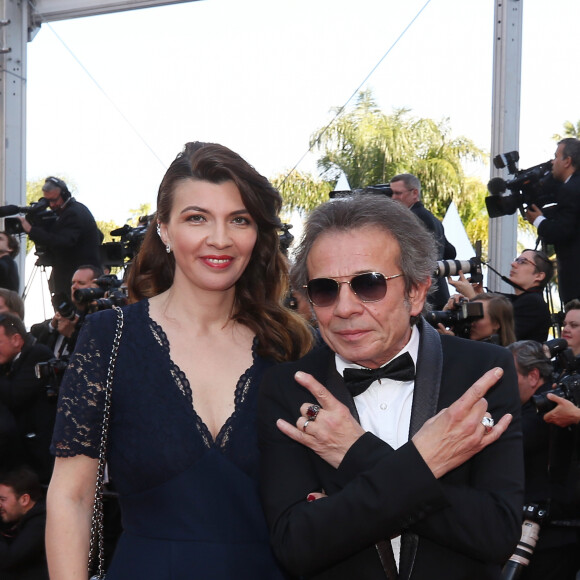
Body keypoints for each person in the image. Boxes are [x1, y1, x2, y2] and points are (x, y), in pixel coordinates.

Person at [46, 142, 314, 579]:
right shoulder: (108, 339)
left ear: (257, 234)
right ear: (165, 231)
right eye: (197, 218)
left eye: (239, 220)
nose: (220, 239)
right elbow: (71, 496)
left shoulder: (291, 347)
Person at [259, 194, 523, 579]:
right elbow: (297, 545)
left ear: (416, 291)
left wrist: (355, 455)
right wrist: (428, 463)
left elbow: (494, 534)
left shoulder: (482, 372)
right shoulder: (290, 387)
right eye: (325, 289)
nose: (345, 307)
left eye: (368, 284)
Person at [508, 341, 580, 580]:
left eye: (510, 374)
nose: (502, 385)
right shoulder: (534, 404)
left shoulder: (550, 407)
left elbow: (511, 443)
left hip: (554, 534)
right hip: (543, 529)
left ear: (533, 376)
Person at [18, 176, 102, 299]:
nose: (51, 205)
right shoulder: (72, 211)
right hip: (69, 276)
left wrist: (31, 230)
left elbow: (62, 242)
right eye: (47, 201)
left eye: (54, 200)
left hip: (76, 277)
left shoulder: (73, 213)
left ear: (65, 194)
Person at [449, 249, 553, 342]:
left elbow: (505, 337)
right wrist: (481, 297)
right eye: (516, 260)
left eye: (522, 262)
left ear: (539, 276)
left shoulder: (534, 304)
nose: (513, 264)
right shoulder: (519, 300)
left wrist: (473, 298)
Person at [525, 138, 580, 305]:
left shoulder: (570, 189)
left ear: (567, 161)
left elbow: (562, 231)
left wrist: (538, 220)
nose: (552, 162)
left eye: (556, 157)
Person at [0, 314, 54, 483]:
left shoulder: (38, 354)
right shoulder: (9, 363)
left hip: (40, 458)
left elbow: (15, 395)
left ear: (16, 339)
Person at [390, 173, 456, 309]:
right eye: (392, 193)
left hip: (424, 295)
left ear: (414, 193)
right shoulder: (433, 219)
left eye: (398, 193)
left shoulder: (411, 219)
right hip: (437, 291)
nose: (393, 198)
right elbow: (450, 252)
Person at [31, 264, 103, 359]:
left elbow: (95, 354)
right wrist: (52, 326)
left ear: (95, 287)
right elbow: (35, 336)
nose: (74, 287)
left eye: (81, 283)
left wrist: (71, 334)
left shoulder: (102, 318)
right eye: (73, 283)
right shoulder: (67, 314)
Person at [0, 466, 49, 580]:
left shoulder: (40, 522)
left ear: (24, 500)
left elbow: (9, 560)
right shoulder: (26, 518)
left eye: (3, 500)